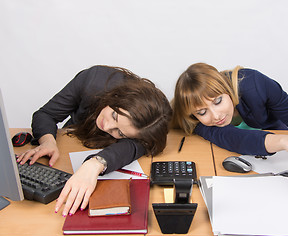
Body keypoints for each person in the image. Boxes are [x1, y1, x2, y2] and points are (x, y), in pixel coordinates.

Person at [17, 65, 172, 216]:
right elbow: (45, 114)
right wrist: (48, 141)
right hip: (74, 138)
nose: (107, 126)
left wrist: (95, 164)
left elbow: (140, 146)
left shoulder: (153, 122)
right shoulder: (93, 80)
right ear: (117, 98)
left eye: (120, 132)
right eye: (114, 116)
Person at [171, 62, 288, 184]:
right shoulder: (195, 122)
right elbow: (232, 138)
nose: (216, 116)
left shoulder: (254, 84)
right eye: (202, 112)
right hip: (242, 171)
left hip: (280, 161)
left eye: (218, 101)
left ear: (226, 88)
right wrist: (286, 141)